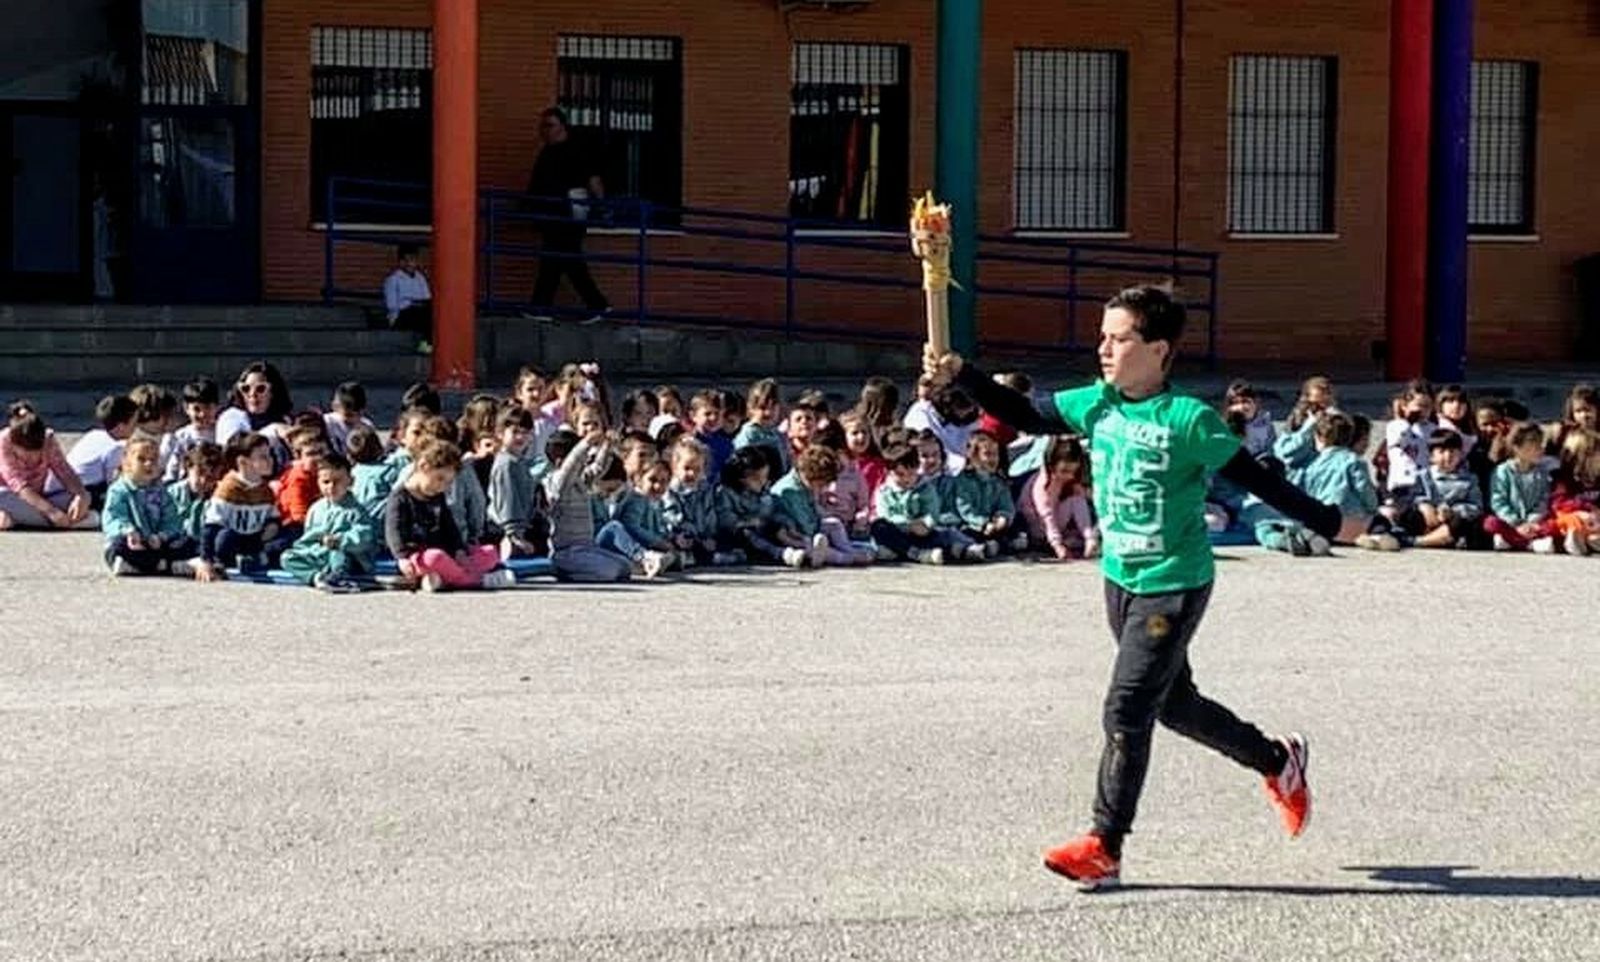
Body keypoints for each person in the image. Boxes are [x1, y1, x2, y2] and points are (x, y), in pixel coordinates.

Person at [927, 283, 1337, 890]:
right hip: (1121, 577)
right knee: (1174, 706)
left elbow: (1260, 481)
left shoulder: (1189, 420)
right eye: (1103, 337)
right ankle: (1277, 760)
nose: (1104, 349)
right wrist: (963, 374)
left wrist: (1329, 520)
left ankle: (1105, 844)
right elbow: (1027, 415)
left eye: (1119, 339)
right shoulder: (1097, 403)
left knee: (1126, 707)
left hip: (1174, 582)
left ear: (1159, 350)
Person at [384, 439, 512, 592]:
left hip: (446, 553)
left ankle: (443, 579)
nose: (442, 486)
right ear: (423, 467)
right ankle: (477, 581)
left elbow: (449, 526)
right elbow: (394, 531)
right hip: (418, 556)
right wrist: (402, 557)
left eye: (448, 483)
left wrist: (459, 550)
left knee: (490, 552)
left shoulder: (438, 495)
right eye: (439, 479)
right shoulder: (400, 497)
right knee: (435, 557)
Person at [525, 106, 609, 320]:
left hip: (568, 216)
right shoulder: (547, 153)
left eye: (549, 125)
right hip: (551, 215)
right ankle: (543, 306)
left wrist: (602, 206)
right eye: (542, 126)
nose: (544, 131)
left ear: (562, 127)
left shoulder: (576, 150)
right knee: (559, 261)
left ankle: (594, 304)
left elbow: (593, 179)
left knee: (564, 260)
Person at [280, 453, 379, 593]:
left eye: (337, 481)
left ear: (350, 481)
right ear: (318, 483)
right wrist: (309, 546)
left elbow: (365, 537)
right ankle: (317, 577)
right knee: (287, 557)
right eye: (326, 482)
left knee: (338, 555)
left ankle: (338, 579)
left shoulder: (356, 511)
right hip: (320, 554)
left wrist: (340, 540)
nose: (331, 487)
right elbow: (308, 537)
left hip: (347, 556)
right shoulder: (316, 509)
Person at [100, 436, 197, 577]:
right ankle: (163, 566)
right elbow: (114, 516)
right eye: (141, 459)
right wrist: (128, 531)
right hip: (133, 542)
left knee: (188, 543)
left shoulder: (161, 492)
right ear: (127, 463)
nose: (148, 464)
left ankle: (148, 565)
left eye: (153, 460)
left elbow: (172, 520)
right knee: (117, 546)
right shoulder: (119, 490)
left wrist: (161, 536)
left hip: (156, 543)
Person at [0, 402, 96, 530]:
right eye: (26, 453)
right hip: (11, 495)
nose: (31, 458)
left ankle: (25, 520)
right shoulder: (4, 442)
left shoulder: (48, 440)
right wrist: (51, 512)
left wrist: (81, 495)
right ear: (14, 445)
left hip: (37, 499)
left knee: (71, 499)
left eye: (36, 452)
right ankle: (67, 522)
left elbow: (64, 471)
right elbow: (18, 485)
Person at [1484, 422, 1556, 553]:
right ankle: (1528, 543)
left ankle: (1515, 541)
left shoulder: (1542, 473)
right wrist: (1517, 522)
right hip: (1510, 522)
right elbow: (1498, 501)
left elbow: (1543, 501)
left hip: (1533, 523)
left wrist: (1531, 521)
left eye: (1541, 445)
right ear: (1517, 448)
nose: (1540, 449)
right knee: (1490, 523)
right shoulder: (1502, 471)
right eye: (1534, 445)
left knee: (1552, 525)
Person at [383, 244, 433, 354]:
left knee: (432, 311)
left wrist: (420, 304)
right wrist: (411, 303)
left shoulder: (420, 278)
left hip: (420, 311)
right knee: (419, 313)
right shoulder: (393, 279)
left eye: (413, 260)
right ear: (400, 262)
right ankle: (425, 344)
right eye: (407, 260)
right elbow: (391, 305)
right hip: (400, 317)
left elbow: (427, 297)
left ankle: (430, 343)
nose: (410, 264)